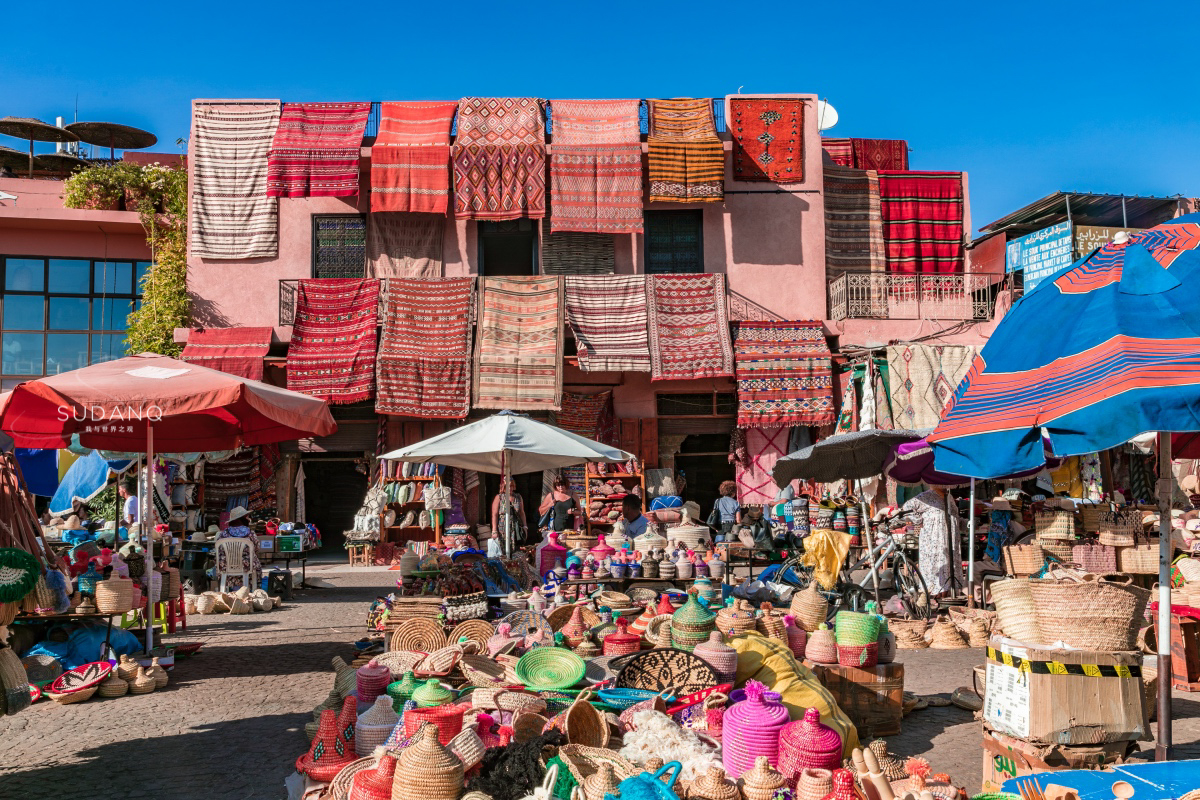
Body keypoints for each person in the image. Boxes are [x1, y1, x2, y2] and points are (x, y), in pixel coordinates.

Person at [900, 487, 964, 599]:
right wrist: (919, 521)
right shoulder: (926, 496)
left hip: (950, 539)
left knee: (949, 566)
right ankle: (936, 597)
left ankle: (948, 597)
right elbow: (907, 507)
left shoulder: (949, 497)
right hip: (934, 539)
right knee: (937, 567)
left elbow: (955, 517)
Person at [214, 505, 262, 591]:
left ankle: (232, 588)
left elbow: (219, 550)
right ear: (242, 519)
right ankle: (251, 589)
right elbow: (257, 548)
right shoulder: (250, 533)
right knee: (255, 563)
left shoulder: (223, 534)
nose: (248, 519)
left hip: (226, 565)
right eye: (246, 517)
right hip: (246, 566)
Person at [490, 479, 527, 546]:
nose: (510, 488)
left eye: (511, 486)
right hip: (503, 528)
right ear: (503, 487)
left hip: (516, 527)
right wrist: (494, 530)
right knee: (504, 548)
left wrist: (525, 527)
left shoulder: (518, 497)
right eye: (507, 486)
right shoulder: (499, 497)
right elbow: (494, 514)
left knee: (517, 548)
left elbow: (522, 512)